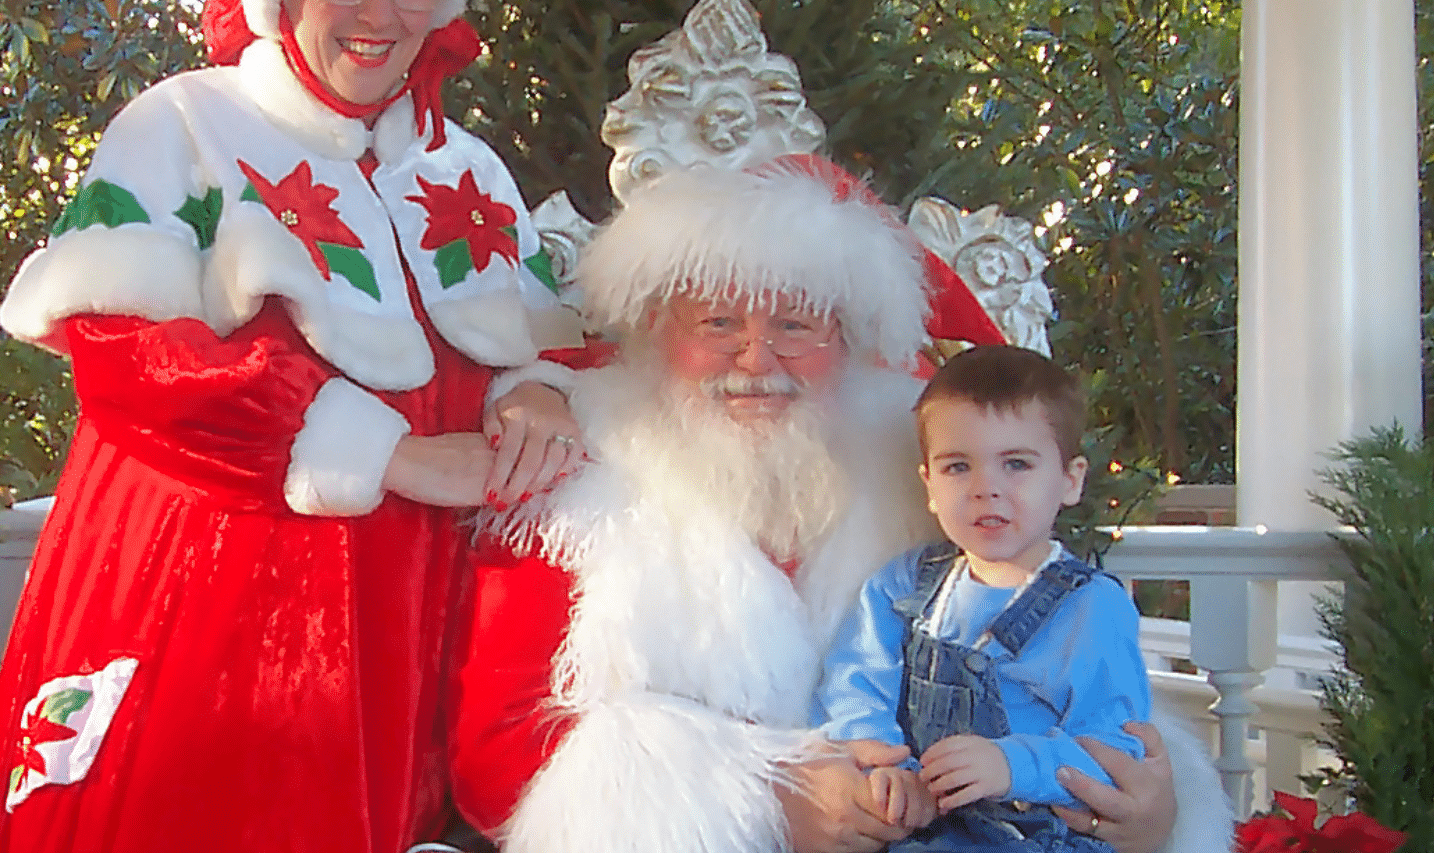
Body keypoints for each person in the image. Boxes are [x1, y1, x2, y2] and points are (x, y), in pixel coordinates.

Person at [0, 0, 585, 853]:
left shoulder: (468, 166)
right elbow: (128, 356)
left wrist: (538, 393)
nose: (380, 13)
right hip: (218, 617)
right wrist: (392, 454)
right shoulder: (189, 126)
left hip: (425, 622)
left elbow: (551, 338)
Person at [448, 157, 1233, 853]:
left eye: (794, 326)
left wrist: (1149, 811)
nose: (756, 361)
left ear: (849, 340)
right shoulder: (576, 481)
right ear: (657, 331)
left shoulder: (935, 467)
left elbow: (1069, 670)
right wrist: (765, 797)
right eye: (718, 323)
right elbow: (498, 756)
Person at [813, 344, 1152, 852]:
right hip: (923, 829)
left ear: (1070, 479)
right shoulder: (906, 585)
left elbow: (1118, 748)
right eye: (957, 467)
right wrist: (884, 763)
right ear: (928, 484)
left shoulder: (1090, 608)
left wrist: (1012, 764)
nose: (986, 488)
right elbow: (854, 680)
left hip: (1037, 837)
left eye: (1016, 463)